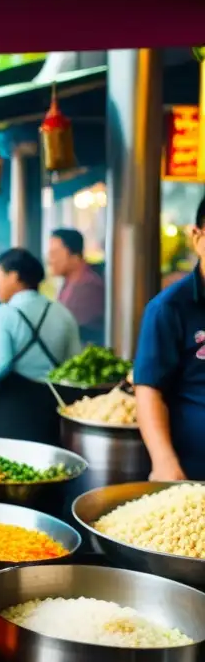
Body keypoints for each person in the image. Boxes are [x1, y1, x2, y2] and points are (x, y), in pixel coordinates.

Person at [0, 248, 82, 445]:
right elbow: (74, 361)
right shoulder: (63, 313)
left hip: (15, 413)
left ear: (14, 276)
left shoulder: (2, 314)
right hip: (54, 412)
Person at [133, 196, 205, 481]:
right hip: (193, 472)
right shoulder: (169, 308)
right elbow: (149, 388)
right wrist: (164, 461)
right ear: (197, 237)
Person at [47, 228, 105, 345]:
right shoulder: (69, 282)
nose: (50, 260)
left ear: (74, 256)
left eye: (55, 254)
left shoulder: (87, 285)